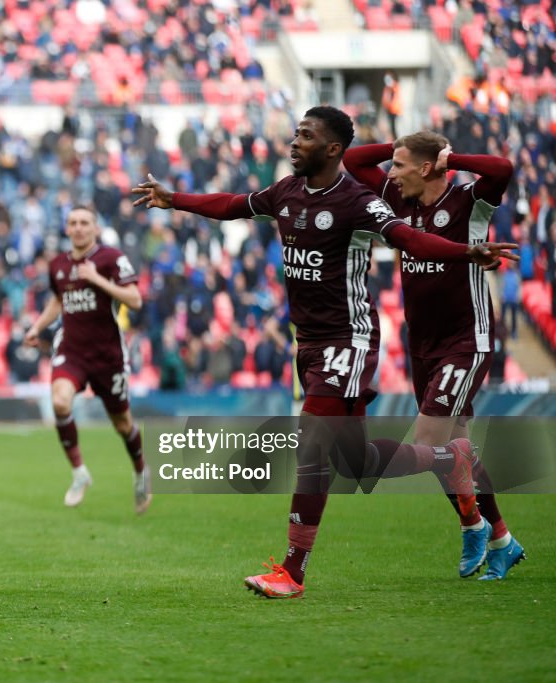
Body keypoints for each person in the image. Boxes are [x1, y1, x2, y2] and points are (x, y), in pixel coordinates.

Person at [132, 105, 518, 598]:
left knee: (312, 442)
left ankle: (292, 572)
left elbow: (410, 239)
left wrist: (466, 251)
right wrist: (175, 200)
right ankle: (448, 458)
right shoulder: (286, 192)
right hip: (308, 343)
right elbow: (232, 204)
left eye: (306, 135)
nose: (294, 142)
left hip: (349, 341)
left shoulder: (360, 201)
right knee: (355, 464)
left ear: (332, 149)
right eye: (295, 133)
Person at [344, 132, 526, 580]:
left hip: (466, 338)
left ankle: (472, 525)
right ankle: (502, 540)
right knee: (455, 449)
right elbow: (351, 159)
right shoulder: (396, 195)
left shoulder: (470, 200)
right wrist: (399, 148)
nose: (391, 173)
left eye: (402, 165)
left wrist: (450, 158)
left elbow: (502, 168)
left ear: (427, 168)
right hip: (421, 342)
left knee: (429, 445)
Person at [24, 206, 152, 514]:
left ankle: (140, 472)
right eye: (73, 223)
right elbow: (59, 299)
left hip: (108, 356)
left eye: (85, 223)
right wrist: (37, 327)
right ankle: (79, 473)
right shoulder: (57, 265)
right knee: (60, 403)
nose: (79, 228)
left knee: (122, 424)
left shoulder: (110, 259)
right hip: (72, 351)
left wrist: (97, 279)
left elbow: (135, 300)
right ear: (66, 229)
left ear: (95, 229)